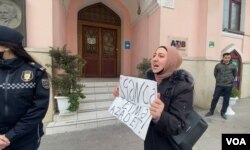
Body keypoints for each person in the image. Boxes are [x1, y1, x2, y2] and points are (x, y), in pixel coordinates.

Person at [113, 46, 194, 150]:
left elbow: (178, 125)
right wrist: (123, 96)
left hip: (169, 146)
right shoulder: (148, 81)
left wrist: (160, 116)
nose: (155, 59)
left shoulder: (183, 86)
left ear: (171, 61)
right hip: (150, 142)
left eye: (161, 56)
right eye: (154, 55)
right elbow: (138, 107)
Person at [0, 25, 50, 150]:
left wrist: (10, 136)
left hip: (25, 139)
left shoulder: (36, 72)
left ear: (6, 47)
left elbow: (38, 109)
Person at [205, 52, 237, 120]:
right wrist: (219, 80)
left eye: (228, 58)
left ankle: (223, 113)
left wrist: (230, 80)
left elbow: (234, 74)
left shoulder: (233, 66)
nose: (227, 59)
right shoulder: (218, 65)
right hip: (219, 85)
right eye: (226, 58)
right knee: (215, 98)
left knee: (226, 100)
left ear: (230, 58)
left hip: (228, 86)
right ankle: (211, 111)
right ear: (223, 58)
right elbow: (215, 74)